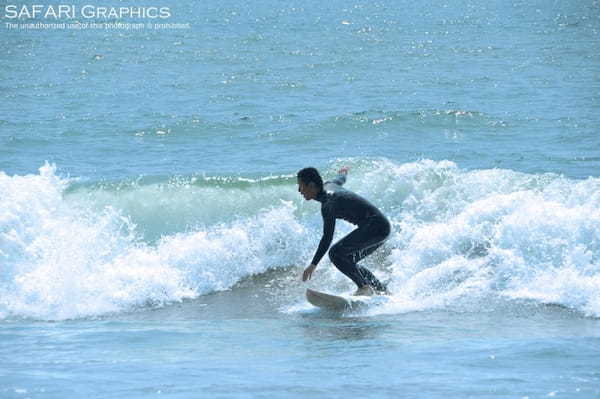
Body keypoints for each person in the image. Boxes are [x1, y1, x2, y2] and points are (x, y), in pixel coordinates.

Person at [297, 166, 390, 296]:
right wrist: (343, 173)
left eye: (301, 186)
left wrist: (313, 264)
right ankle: (382, 290)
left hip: (375, 227)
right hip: (381, 227)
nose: (299, 190)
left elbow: (327, 238)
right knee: (348, 261)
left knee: (335, 253)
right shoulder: (329, 185)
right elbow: (340, 180)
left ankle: (364, 287)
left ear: (311, 185)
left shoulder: (328, 203)